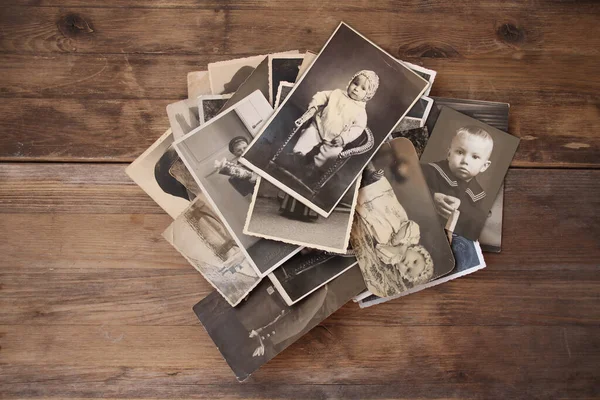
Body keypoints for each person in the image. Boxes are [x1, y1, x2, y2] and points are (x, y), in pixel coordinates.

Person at [351, 175, 434, 297]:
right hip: (383, 201)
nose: (408, 264)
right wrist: (400, 242)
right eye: (415, 261)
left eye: (408, 270)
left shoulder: (391, 258)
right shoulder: (413, 238)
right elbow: (409, 225)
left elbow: (379, 249)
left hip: (372, 216)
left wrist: (397, 250)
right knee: (371, 183)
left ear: (403, 273)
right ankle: (372, 176)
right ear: (419, 251)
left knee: (357, 192)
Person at [291, 70, 380, 170]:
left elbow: (357, 128)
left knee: (331, 155)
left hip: (335, 140)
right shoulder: (337, 93)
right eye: (355, 83)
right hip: (318, 127)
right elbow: (322, 95)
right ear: (350, 82)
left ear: (368, 95)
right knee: (307, 136)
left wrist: (344, 138)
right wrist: (314, 104)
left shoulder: (361, 112)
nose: (356, 89)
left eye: (363, 88)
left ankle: (314, 168)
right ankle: (297, 156)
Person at [421, 125, 494, 239]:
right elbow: (408, 187)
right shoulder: (430, 171)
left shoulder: (477, 195)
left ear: (484, 166)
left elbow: (476, 223)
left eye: (475, 157)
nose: (465, 161)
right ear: (449, 154)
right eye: (460, 152)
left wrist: (460, 206)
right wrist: (431, 197)